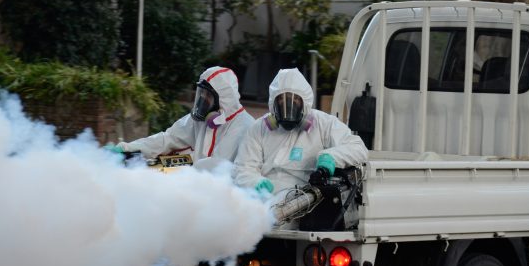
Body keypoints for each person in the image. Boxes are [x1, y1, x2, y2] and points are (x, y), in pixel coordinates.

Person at [234, 68, 368, 194]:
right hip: (265, 199)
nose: (288, 105)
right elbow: (244, 167)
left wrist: (331, 157)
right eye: (281, 99)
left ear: (306, 102)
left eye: (295, 99)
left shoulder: (323, 123)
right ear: (273, 102)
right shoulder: (260, 127)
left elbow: (358, 148)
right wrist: (255, 183)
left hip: (306, 201)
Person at [115, 66, 254, 171]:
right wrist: (128, 149)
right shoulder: (202, 118)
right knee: (143, 167)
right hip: (193, 179)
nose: (202, 99)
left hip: (221, 195)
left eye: (208, 96)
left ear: (224, 100)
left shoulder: (245, 127)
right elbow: (168, 138)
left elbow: (215, 167)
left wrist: (174, 170)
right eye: (202, 93)